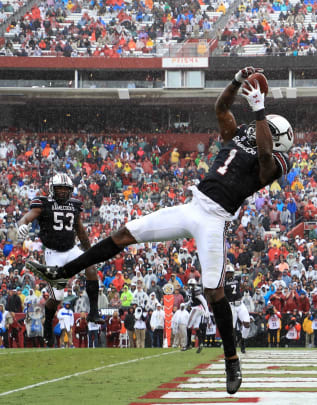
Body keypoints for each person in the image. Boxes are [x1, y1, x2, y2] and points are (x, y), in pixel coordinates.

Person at [27, 66, 293, 394]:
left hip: (215, 219)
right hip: (192, 207)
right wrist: (236, 82)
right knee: (124, 233)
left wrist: (259, 110)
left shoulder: (278, 161)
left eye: (261, 127)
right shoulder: (238, 135)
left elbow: (265, 153)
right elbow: (221, 109)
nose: (254, 130)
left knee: (215, 291)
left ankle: (230, 360)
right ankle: (63, 273)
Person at [17, 173, 104, 347]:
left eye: (66, 189)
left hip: (71, 249)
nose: (63, 192)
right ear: (52, 189)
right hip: (53, 253)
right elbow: (26, 217)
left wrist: (90, 252)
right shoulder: (43, 204)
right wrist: (22, 225)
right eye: (60, 189)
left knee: (92, 269)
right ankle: (48, 323)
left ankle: (94, 312)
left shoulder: (74, 205)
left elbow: (80, 230)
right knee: (57, 296)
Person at [224, 266, 250, 353]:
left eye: (230, 272)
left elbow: (242, 286)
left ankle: (243, 342)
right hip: (231, 305)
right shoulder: (223, 282)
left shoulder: (237, 278)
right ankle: (233, 345)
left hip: (240, 304)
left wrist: (243, 286)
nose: (229, 274)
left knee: (247, 323)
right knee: (232, 328)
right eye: (228, 273)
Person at [184, 278, 210, 353]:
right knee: (196, 327)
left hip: (197, 308)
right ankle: (201, 343)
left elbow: (203, 301)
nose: (191, 286)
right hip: (198, 308)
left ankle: (188, 344)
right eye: (190, 285)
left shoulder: (196, 291)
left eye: (192, 285)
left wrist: (207, 310)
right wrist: (187, 304)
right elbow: (191, 300)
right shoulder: (190, 291)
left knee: (188, 326)